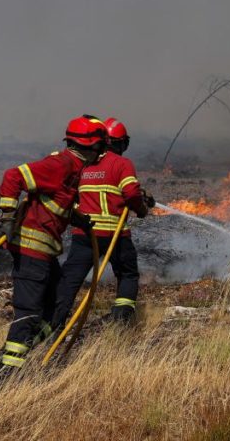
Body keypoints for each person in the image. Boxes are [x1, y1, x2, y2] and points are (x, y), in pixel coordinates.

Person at [0, 115, 107, 384]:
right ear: (92, 146)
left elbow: (53, 201)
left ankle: (15, 357)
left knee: (57, 308)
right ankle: (7, 377)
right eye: (102, 146)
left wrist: (74, 216)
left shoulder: (74, 169)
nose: (103, 152)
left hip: (46, 251)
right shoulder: (61, 164)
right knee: (29, 314)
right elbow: (14, 176)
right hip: (32, 249)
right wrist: (8, 216)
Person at [52, 117, 154, 329]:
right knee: (127, 274)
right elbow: (132, 194)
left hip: (84, 234)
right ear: (120, 143)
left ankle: (54, 324)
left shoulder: (81, 164)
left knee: (71, 279)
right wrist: (142, 209)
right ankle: (121, 322)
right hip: (115, 235)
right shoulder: (122, 164)